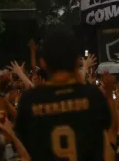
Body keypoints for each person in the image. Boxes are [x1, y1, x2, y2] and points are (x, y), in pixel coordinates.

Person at [14, 28, 111, 161]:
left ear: (43, 63)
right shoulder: (94, 96)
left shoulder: (29, 101)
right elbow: (107, 145)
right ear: (77, 61)